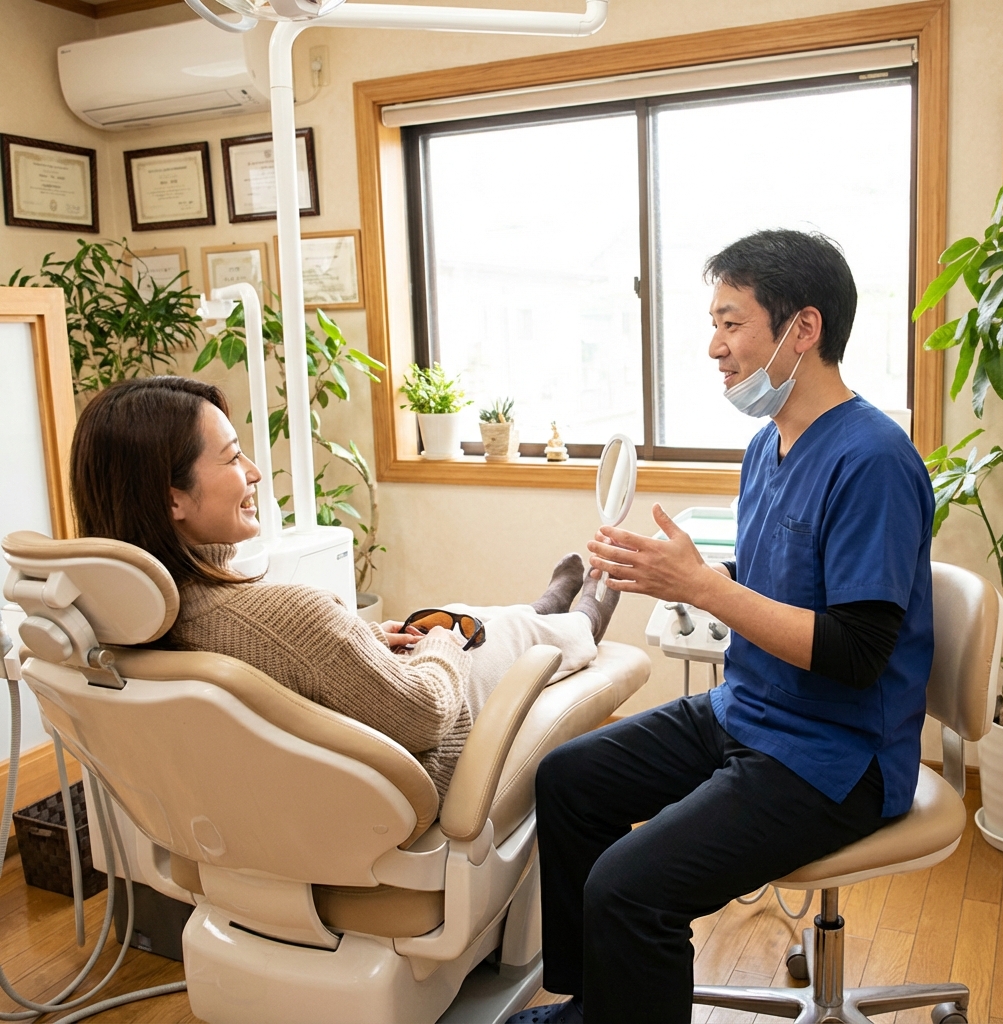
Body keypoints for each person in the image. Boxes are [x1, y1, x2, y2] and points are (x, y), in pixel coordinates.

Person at [514, 230, 935, 1024]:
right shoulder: (765, 448)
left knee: (630, 888)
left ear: (802, 330)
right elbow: (781, 583)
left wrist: (703, 587)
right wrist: (676, 573)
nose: (714, 346)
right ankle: (593, 1007)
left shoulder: (873, 461)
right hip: (750, 711)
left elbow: (856, 654)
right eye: (714, 323)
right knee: (567, 779)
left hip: (837, 755)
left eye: (732, 322)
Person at [68, 376, 619, 802]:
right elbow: (424, 715)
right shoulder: (285, 617)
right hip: (411, 779)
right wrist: (446, 642)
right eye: (234, 456)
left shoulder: (114, 627)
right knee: (484, 631)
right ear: (172, 500)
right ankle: (584, 617)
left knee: (449, 613)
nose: (255, 472)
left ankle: (544, 603)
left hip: (274, 812)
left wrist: (358, 642)